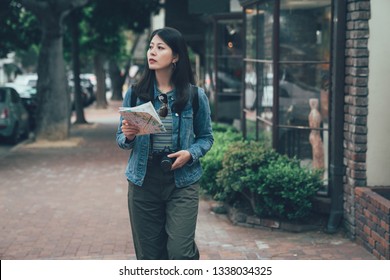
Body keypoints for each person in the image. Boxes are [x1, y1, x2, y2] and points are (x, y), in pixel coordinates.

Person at [116, 27, 214, 260]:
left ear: (176, 56)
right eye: (151, 47)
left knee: (179, 253)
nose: (153, 52)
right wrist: (128, 135)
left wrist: (190, 154)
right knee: (149, 257)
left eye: (160, 48)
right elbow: (121, 140)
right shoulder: (135, 94)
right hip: (143, 180)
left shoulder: (194, 96)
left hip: (182, 180)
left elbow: (206, 138)